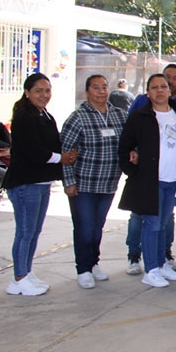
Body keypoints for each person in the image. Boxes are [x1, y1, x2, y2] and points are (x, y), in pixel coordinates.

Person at [4, 73, 78, 296]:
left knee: (34, 231)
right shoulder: (24, 117)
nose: (44, 95)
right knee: (25, 232)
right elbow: (34, 151)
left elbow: (54, 143)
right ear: (27, 92)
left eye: (47, 90)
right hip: (25, 183)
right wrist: (61, 158)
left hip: (42, 183)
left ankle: (26, 273)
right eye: (38, 91)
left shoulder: (45, 115)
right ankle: (19, 277)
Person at [118, 73, 176, 288]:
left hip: (174, 179)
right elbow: (124, 147)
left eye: (163, 86)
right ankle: (151, 270)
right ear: (148, 92)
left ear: (170, 90)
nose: (159, 91)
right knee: (152, 224)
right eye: (154, 87)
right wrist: (134, 171)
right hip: (151, 180)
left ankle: (160, 263)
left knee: (163, 224)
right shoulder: (140, 116)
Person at [60, 74, 127, 289]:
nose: (101, 91)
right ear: (87, 91)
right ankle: (83, 269)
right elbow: (66, 152)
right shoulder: (78, 117)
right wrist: (69, 182)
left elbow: (128, 143)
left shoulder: (119, 115)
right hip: (84, 184)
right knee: (85, 227)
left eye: (104, 87)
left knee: (97, 227)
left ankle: (93, 262)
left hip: (108, 183)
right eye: (96, 87)